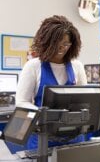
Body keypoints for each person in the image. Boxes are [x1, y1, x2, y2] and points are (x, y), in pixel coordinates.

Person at [14, 15, 87, 151]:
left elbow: (85, 99)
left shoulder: (77, 66)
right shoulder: (33, 66)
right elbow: (21, 102)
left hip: (74, 137)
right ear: (46, 41)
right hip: (43, 138)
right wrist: (45, 114)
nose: (62, 48)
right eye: (57, 43)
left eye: (66, 44)